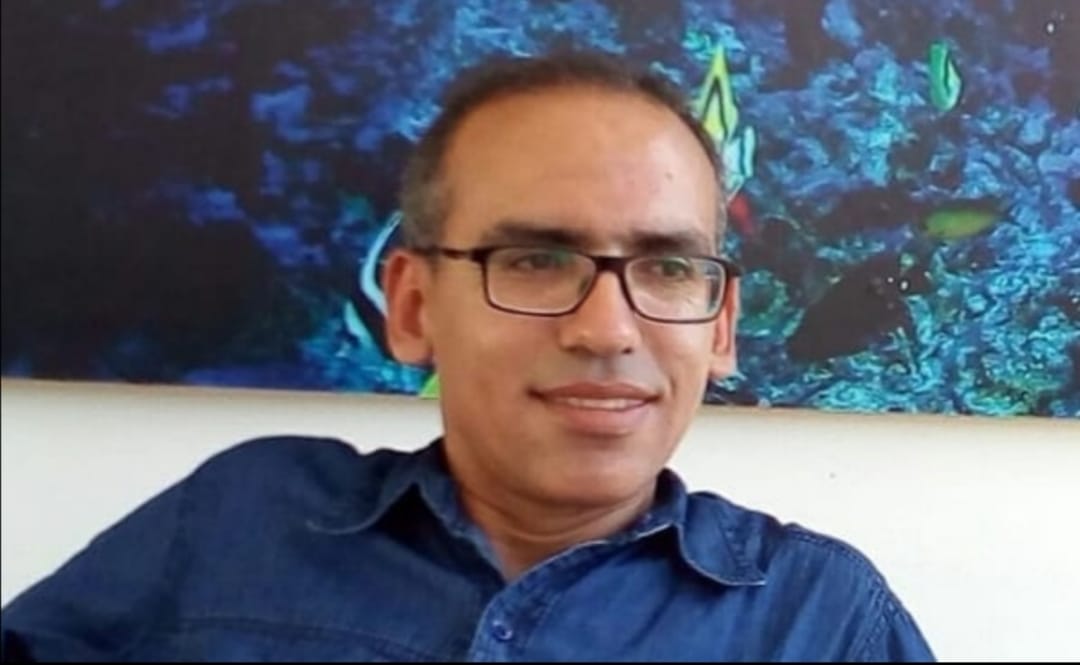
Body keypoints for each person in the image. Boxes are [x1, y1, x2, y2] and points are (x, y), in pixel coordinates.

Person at [0, 50, 935, 662]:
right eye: (535, 259)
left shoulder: (819, 616)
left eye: (667, 267)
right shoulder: (240, 522)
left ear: (719, 326)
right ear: (412, 307)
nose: (607, 330)